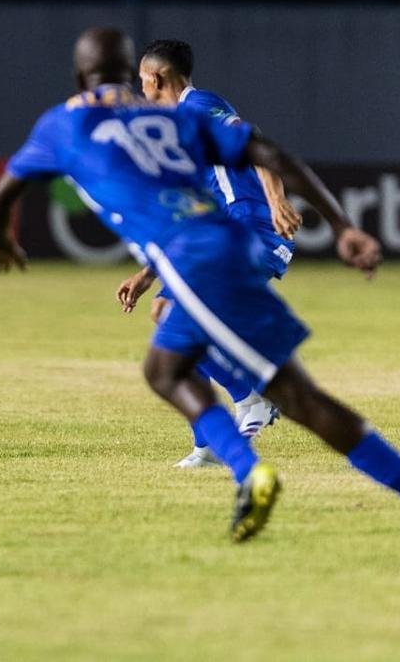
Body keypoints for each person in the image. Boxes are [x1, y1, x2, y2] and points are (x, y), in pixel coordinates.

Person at [0, 27, 400, 563]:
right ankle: (267, 470)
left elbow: (0, 201)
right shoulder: (170, 120)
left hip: (204, 260)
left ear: (82, 76)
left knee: (296, 397)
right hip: (214, 251)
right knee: (166, 368)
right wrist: (342, 225)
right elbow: (269, 151)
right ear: (129, 76)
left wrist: (2, 245)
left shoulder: (64, 123)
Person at [117, 39, 301, 467]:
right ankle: (208, 443)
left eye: (143, 83)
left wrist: (275, 200)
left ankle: (250, 397)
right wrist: (146, 277)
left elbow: (254, 142)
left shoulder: (199, 107)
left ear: (156, 78)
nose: (142, 92)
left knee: (174, 318)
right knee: (166, 313)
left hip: (252, 225)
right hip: (225, 231)